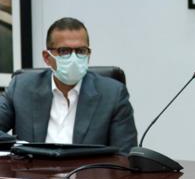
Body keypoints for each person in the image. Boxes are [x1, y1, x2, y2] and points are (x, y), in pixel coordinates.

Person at [0, 17, 138, 153]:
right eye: (64, 51)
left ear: (88, 54)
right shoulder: (21, 88)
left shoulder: (113, 94)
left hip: (88, 168)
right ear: (47, 57)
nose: (74, 58)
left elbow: (124, 156)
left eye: (81, 51)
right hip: (33, 167)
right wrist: (15, 147)